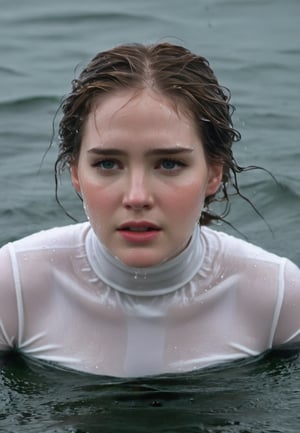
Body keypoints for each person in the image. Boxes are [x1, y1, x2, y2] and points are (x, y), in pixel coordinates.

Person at [0, 43, 299, 378]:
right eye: (108, 163)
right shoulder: (14, 286)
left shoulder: (278, 297)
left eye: (169, 163)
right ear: (75, 173)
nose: (137, 196)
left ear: (214, 172)